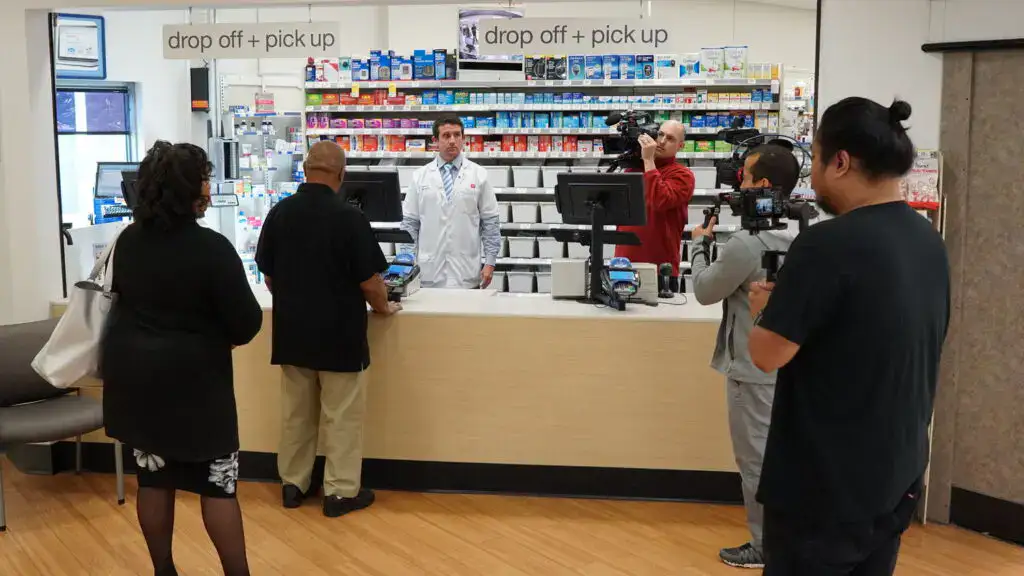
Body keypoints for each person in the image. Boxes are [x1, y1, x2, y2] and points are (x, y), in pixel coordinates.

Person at [747, 98, 950, 575]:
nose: (811, 175)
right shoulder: (927, 241)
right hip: (896, 473)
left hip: (824, 485)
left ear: (840, 161)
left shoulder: (826, 244)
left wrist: (765, 311)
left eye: (814, 159)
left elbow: (766, 355)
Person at [102, 141, 263, 576]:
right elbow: (247, 323)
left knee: (152, 478)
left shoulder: (129, 241)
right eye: (204, 180)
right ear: (190, 190)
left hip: (137, 378)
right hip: (197, 386)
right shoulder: (211, 247)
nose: (209, 189)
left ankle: (164, 571)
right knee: (218, 486)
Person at [255, 141, 399, 518]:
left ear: (305, 170)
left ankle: (293, 484)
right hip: (340, 335)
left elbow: (268, 276)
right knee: (342, 416)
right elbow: (370, 282)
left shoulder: (280, 213)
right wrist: (385, 307)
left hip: (293, 333)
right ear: (341, 173)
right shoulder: (348, 218)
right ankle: (339, 493)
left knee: (296, 415)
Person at [689, 143, 801, 569]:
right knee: (783, 457)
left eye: (747, 178)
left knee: (754, 460)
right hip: (790, 364)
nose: (740, 184)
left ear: (765, 187)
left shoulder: (747, 244)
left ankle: (764, 546)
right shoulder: (804, 232)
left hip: (753, 369)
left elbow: (704, 291)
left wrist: (699, 245)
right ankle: (786, 537)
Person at [400, 116, 501, 288]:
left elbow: (490, 223)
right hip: (429, 272)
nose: (452, 141)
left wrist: (490, 262)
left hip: (467, 272)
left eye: (457, 135)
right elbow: (410, 225)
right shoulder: (420, 176)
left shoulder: (479, 175)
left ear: (463, 138)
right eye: (446, 136)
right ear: (435, 141)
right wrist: (405, 262)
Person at [614, 120, 695, 288]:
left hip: (660, 268)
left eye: (670, 138)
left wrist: (649, 160)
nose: (662, 141)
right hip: (624, 263)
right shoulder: (632, 170)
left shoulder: (683, 175)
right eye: (660, 135)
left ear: (680, 146)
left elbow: (660, 200)